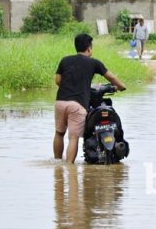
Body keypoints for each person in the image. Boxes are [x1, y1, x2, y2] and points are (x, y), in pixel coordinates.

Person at [54, 33, 126, 163]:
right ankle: (69, 167)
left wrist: (70, 86)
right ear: (89, 48)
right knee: (73, 138)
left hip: (60, 102)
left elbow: (58, 80)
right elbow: (111, 77)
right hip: (77, 105)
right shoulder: (94, 63)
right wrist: (121, 86)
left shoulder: (65, 60)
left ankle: (57, 164)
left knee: (59, 133)